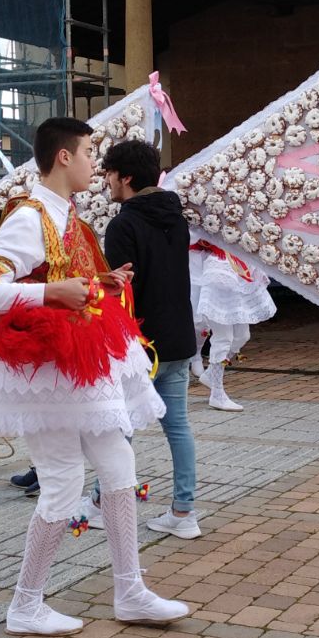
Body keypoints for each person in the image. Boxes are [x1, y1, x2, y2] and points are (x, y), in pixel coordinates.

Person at [0, 117, 188, 635]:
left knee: (118, 459)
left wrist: (97, 281)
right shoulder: (31, 216)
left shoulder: (63, 215)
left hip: (73, 363)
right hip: (49, 367)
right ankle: (26, 603)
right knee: (62, 480)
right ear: (63, 157)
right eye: (86, 153)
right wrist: (50, 295)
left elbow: (55, 272)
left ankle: (129, 588)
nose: (93, 164)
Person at [90, 138, 201, 539]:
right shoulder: (177, 216)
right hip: (180, 337)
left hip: (142, 344)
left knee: (120, 425)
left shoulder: (124, 223)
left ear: (127, 177)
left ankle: (103, 502)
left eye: (109, 172)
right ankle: (185, 512)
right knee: (178, 427)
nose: (105, 179)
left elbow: (119, 291)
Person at [187, 240, 276, 412]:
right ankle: (217, 394)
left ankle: (210, 375)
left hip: (237, 264)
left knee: (243, 335)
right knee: (223, 337)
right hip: (215, 268)